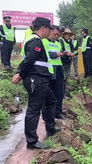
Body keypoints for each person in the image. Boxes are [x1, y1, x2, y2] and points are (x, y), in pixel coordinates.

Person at [12, 17, 60, 149]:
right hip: (35, 79)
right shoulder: (35, 41)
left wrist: (19, 72)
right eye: (49, 30)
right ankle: (32, 141)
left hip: (40, 78)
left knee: (51, 100)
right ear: (43, 28)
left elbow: (27, 60)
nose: (49, 33)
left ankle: (50, 128)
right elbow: (29, 61)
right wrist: (20, 75)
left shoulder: (35, 40)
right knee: (34, 108)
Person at [42, 25, 66, 120]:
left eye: (58, 35)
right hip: (49, 70)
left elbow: (59, 54)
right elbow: (44, 54)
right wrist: (55, 54)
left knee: (60, 92)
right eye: (54, 34)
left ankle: (57, 112)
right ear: (49, 31)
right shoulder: (43, 41)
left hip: (59, 68)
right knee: (49, 93)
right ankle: (47, 115)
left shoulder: (58, 43)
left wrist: (65, 54)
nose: (56, 36)